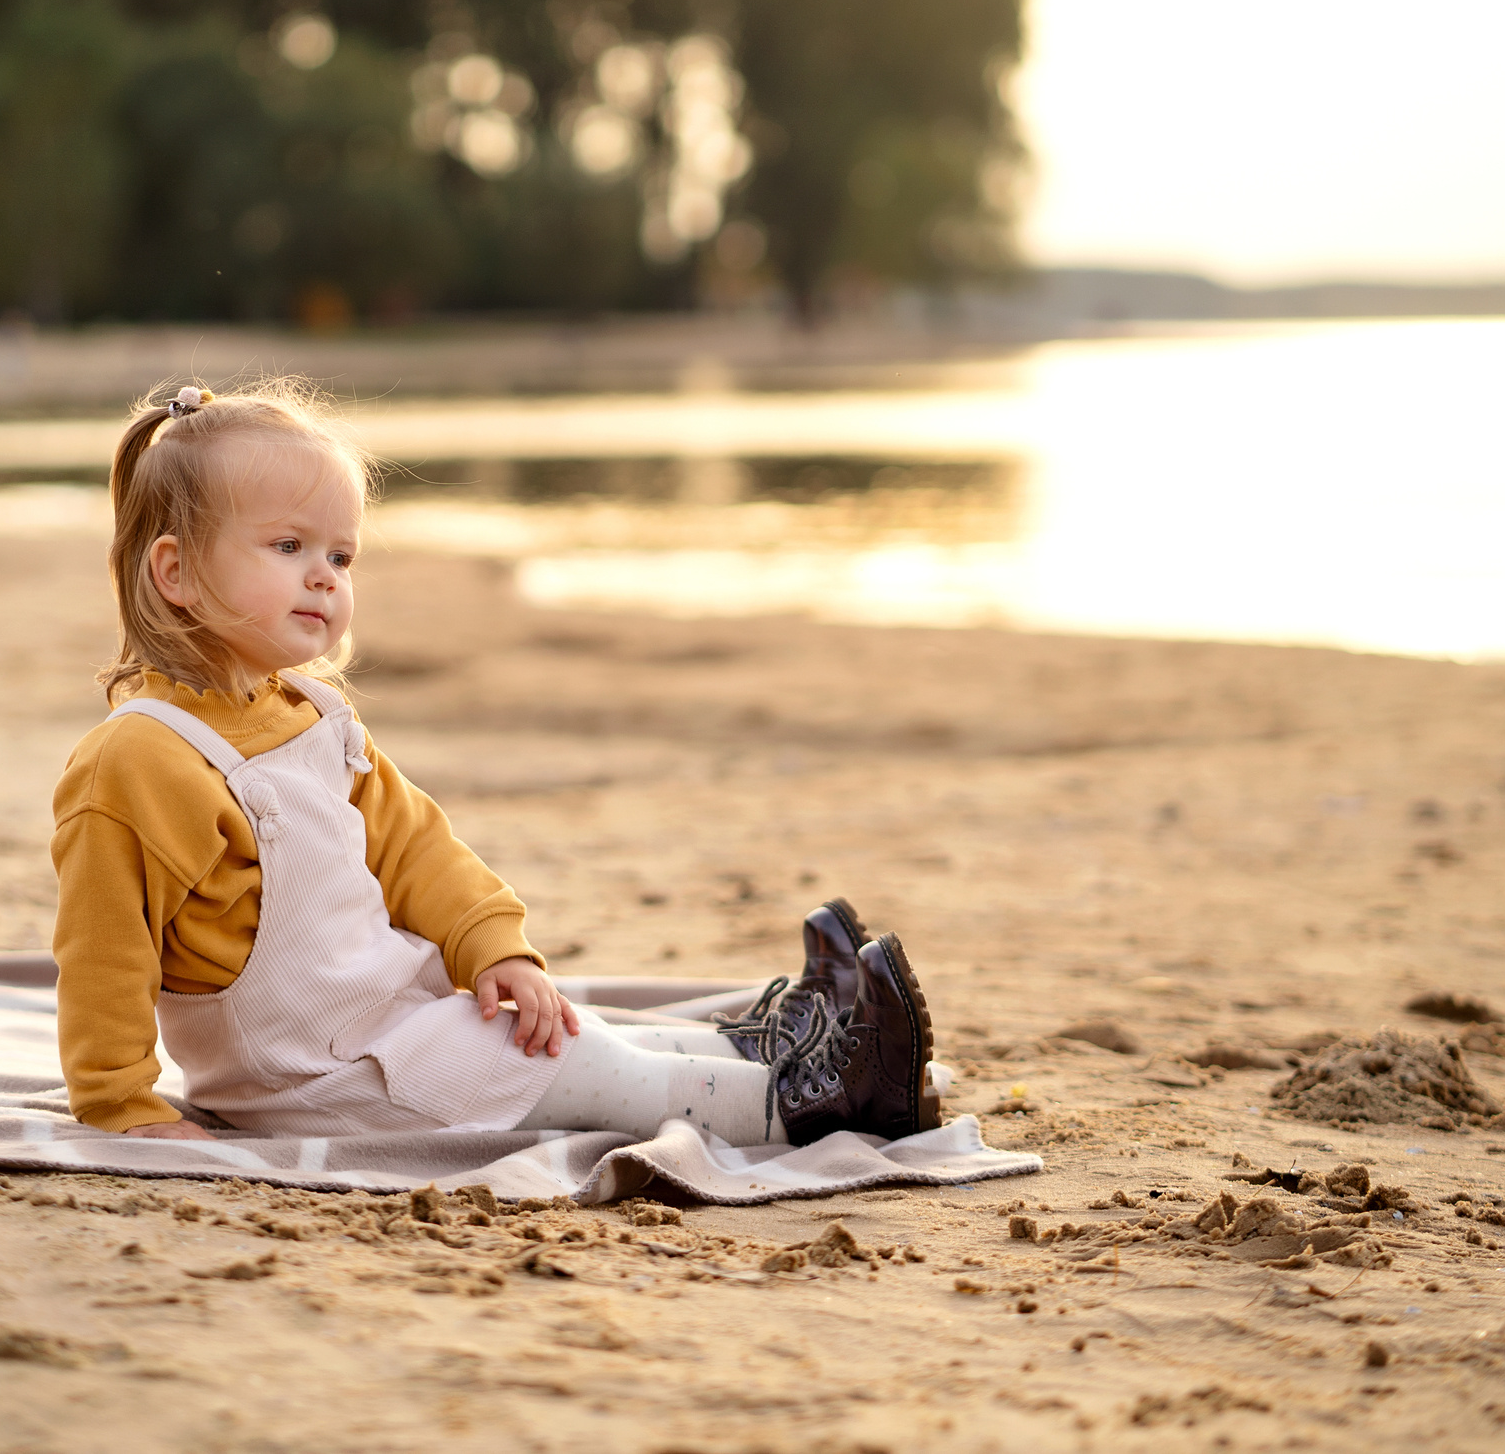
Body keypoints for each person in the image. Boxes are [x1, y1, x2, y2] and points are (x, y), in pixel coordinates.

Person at [50, 380, 941, 1146]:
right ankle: (814, 1101)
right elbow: (103, 947)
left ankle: (782, 1042)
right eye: (288, 547)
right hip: (312, 1078)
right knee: (585, 1065)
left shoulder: (310, 715)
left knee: (563, 1029)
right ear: (176, 572)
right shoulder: (144, 759)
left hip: (389, 1023)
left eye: (340, 554)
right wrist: (118, 1101)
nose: (324, 576)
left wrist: (491, 946)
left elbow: (416, 851)